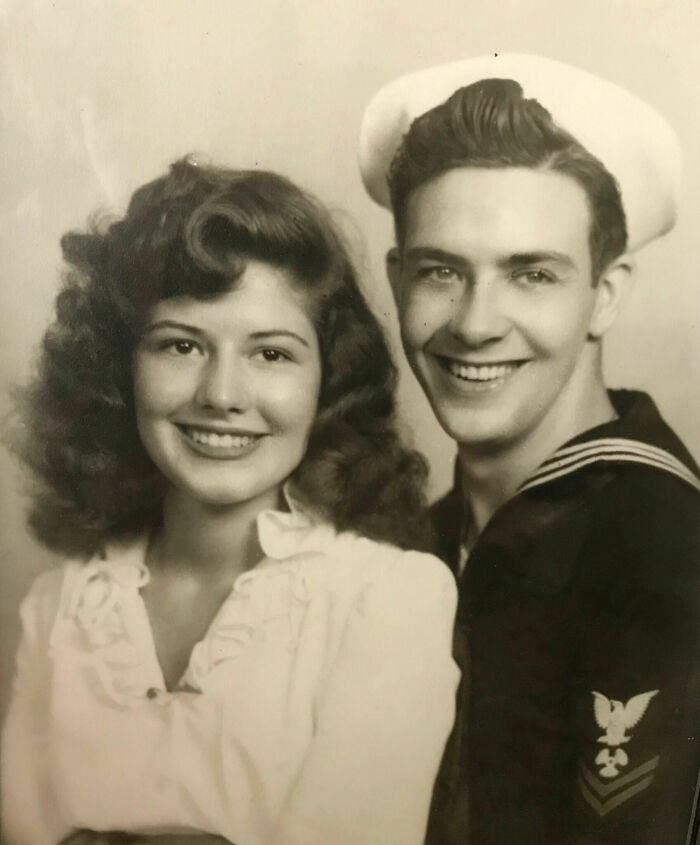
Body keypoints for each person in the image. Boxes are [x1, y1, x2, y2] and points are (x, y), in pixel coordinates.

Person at [1, 157, 460, 845]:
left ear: (327, 384)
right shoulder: (57, 607)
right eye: (181, 344)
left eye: (271, 354)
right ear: (119, 371)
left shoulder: (390, 597)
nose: (221, 394)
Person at [359, 54, 700, 844]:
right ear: (396, 276)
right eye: (442, 271)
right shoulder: (408, 539)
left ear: (604, 295)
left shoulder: (663, 544)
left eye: (531, 274)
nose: (475, 323)